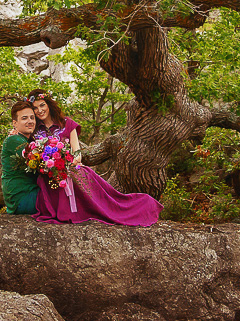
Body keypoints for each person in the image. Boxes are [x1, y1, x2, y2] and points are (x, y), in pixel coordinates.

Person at [24, 89, 162, 227]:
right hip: (49, 175)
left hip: (71, 168)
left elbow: (77, 151)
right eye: (35, 108)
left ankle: (140, 206)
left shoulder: (67, 123)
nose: (39, 110)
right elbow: (28, 147)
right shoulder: (34, 129)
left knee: (102, 198)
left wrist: (71, 162)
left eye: (42, 105)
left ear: (48, 104)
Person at [1, 100, 42, 214]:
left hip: (30, 194)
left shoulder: (27, 140)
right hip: (23, 198)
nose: (30, 121)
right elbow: (38, 160)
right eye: (24, 118)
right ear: (15, 123)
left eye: (32, 118)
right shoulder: (13, 140)